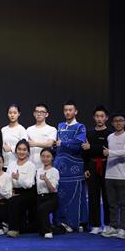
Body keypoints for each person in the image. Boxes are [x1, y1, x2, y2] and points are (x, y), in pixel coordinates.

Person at [53, 100, 88, 233]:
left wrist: (62, 143)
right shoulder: (60, 126)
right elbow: (57, 145)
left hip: (74, 168)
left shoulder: (80, 127)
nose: (67, 112)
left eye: (70, 110)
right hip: (59, 167)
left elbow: (78, 143)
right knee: (60, 196)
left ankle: (76, 223)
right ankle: (60, 222)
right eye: (65, 110)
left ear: (75, 111)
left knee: (75, 196)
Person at [102, 113, 125, 240]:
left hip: (122, 175)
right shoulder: (110, 137)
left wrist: (110, 152)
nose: (118, 123)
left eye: (121, 120)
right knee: (112, 203)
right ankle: (113, 227)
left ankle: (122, 229)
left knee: (123, 204)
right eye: (115, 121)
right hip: (109, 174)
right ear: (112, 123)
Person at [82, 105, 111, 234]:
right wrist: (86, 168)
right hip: (92, 165)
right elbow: (85, 151)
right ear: (94, 117)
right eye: (97, 116)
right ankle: (96, 225)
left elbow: (107, 151)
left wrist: (91, 147)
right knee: (93, 196)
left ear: (106, 118)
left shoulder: (110, 134)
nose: (99, 119)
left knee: (107, 196)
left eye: (102, 116)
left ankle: (108, 224)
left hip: (107, 166)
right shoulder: (89, 133)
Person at [5, 140, 38, 237]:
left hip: (28, 192)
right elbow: (7, 180)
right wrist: (9, 191)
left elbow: (29, 184)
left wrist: (18, 179)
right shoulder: (11, 165)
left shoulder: (31, 165)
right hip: (14, 190)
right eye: (19, 149)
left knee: (13, 201)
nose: (21, 152)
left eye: (24, 150)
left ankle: (14, 229)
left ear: (28, 152)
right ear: (16, 150)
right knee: (10, 198)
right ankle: (11, 225)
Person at [36, 148, 60, 239]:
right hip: (40, 197)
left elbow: (52, 189)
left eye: (48, 156)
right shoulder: (38, 170)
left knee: (43, 208)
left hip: (51, 198)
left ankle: (48, 231)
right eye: (43, 156)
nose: (45, 159)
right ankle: (57, 229)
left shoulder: (55, 171)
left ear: (52, 158)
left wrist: (46, 180)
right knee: (39, 230)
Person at [27, 103, 57, 170]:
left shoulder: (52, 129)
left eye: (42, 112)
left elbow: (49, 144)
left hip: (45, 166)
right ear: (34, 114)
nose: (39, 114)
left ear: (46, 114)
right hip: (30, 165)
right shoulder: (29, 129)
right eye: (37, 111)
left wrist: (35, 144)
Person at [1, 104, 28, 170]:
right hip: (4, 164)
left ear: (19, 114)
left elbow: (25, 146)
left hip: (17, 164)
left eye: (15, 113)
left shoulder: (21, 129)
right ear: (7, 114)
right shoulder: (3, 129)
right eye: (10, 113)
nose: (12, 115)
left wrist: (10, 148)